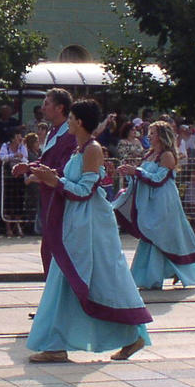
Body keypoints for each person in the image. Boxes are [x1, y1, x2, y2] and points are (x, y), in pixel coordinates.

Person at [26, 99, 152, 362]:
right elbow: (69, 182)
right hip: (75, 224)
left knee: (98, 280)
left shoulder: (92, 149)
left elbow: (85, 191)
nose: (68, 122)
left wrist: (54, 180)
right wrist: (42, 175)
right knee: (72, 280)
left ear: (79, 121)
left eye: (71, 118)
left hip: (88, 227)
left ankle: (130, 334)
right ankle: (58, 344)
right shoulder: (79, 149)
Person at [114, 120, 195, 291]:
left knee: (162, 236)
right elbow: (144, 175)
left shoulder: (167, 156)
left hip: (163, 201)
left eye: (152, 133)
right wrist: (129, 172)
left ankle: (165, 274)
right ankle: (149, 277)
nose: (148, 136)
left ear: (161, 136)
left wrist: (136, 171)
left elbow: (158, 179)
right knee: (152, 236)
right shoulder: (150, 154)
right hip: (149, 202)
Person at [17, 90, 77, 275]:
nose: (43, 108)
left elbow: (66, 169)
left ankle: (61, 290)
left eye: (47, 104)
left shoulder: (70, 134)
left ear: (60, 108)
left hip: (60, 197)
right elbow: (46, 161)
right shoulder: (53, 131)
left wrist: (40, 173)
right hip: (49, 196)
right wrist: (28, 167)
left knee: (55, 247)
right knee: (49, 246)